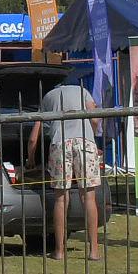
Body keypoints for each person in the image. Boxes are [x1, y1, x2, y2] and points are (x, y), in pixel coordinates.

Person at [34, 73, 102, 262]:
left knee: (61, 198)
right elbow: (95, 119)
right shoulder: (83, 91)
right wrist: (92, 138)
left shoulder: (48, 97)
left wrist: (30, 159)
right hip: (85, 143)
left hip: (60, 143)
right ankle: (94, 251)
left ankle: (59, 251)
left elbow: (34, 136)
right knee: (88, 196)